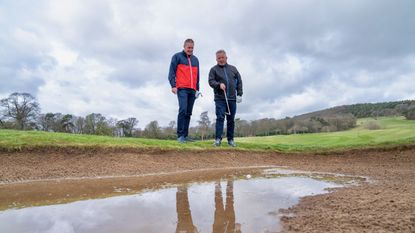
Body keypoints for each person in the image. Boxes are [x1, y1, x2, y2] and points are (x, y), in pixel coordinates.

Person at [168, 39, 200, 143]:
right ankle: (180, 135)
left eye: (192, 47)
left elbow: (197, 76)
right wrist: (173, 85)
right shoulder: (177, 57)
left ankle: (185, 136)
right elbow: (171, 72)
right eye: (188, 47)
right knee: (183, 110)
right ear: (184, 46)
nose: (190, 49)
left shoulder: (196, 60)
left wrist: (197, 89)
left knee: (188, 112)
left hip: (192, 89)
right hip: (182, 88)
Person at [208, 50, 243, 147]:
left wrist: (239, 94)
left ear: (226, 58)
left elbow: (239, 81)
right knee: (220, 118)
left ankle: (230, 140)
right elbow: (211, 81)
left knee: (231, 120)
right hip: (220, 99)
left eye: (222, 57)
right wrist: (219, 85)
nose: (221, 59)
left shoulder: (233, 69)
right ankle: (218, 139)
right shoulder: (213, 70)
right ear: (216, 59)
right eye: (219, 58)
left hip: (232, 99)